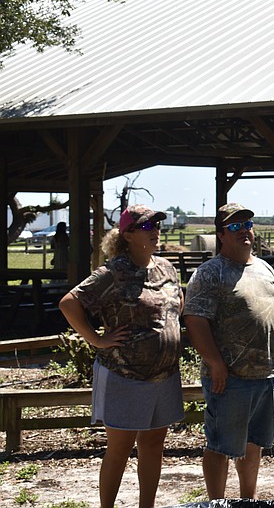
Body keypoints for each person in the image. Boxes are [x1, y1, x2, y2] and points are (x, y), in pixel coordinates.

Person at [58, 205, 184, 508]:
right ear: (126, 234)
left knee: (154, 445)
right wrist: (97, 340)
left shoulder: (166, 268)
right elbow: (69, 303)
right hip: (125, 376)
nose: (154, 230)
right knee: (120, 448)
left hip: (164, 375)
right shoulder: (113, 272)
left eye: (156, 225)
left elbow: (177, 305)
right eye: (145, 227)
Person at [182, 203, 274, 501]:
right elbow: (195, 320)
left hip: (264, 375)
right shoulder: (209, 273)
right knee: (220, 445)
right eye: (234, 226)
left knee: (253, 444)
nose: (244, 231)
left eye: (247, 225)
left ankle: (248, 500)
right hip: (230, 378)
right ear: (221, 235)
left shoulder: (265, 267)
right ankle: (216, 502)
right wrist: (215, 362)